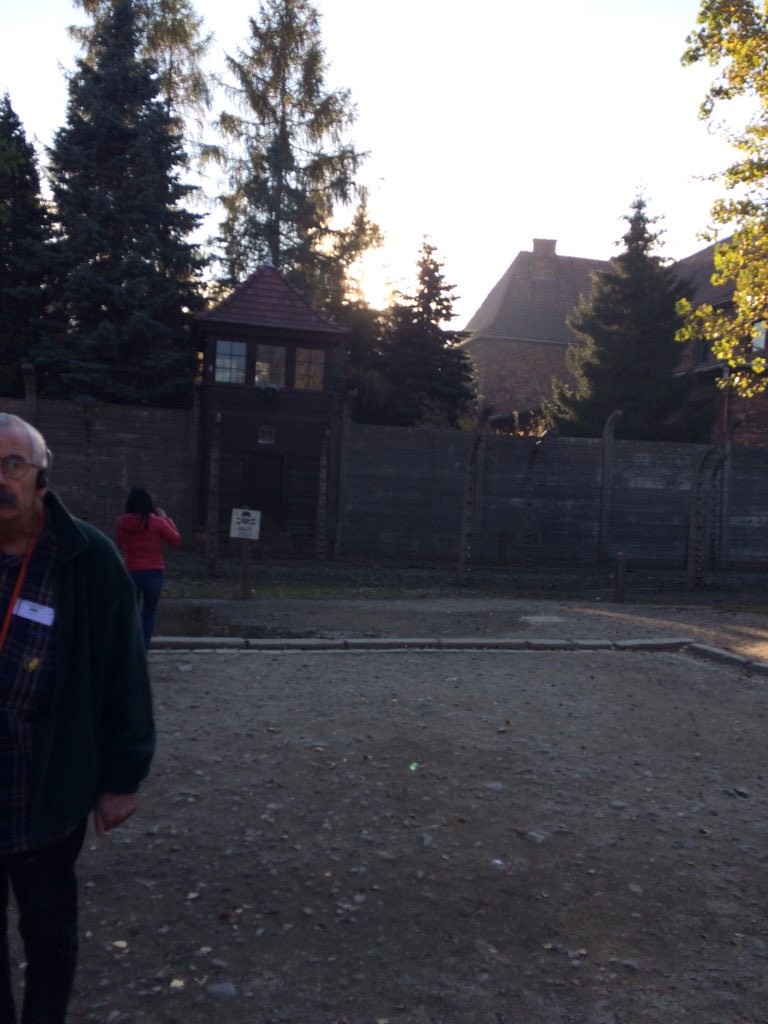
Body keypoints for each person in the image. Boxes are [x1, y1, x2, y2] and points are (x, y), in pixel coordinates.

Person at [0, 412, 155, 1023]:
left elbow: (124, 670)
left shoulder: (87, 558)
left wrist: (121, 778)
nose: (0, 479)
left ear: (42, 477)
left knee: (48, 930)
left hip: (44, 782)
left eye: (13, 464)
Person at [115, 487, 181, 649]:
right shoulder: (157, 522)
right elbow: (175, 540)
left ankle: (131, 649)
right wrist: (165, 518)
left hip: (131, 571)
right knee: (149, 613)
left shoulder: (122, 522)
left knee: (132, 613)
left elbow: (120, 544)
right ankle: (143, 650)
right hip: (154, 572)